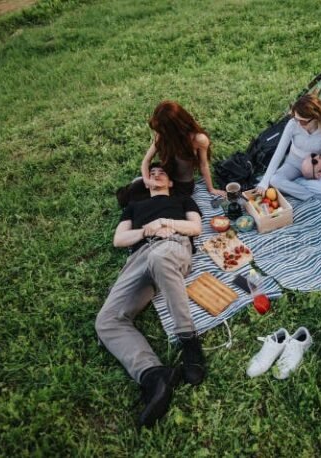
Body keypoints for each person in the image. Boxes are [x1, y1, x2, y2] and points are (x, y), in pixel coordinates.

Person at [96, 162, 206, 428]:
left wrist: (165, 223)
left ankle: (189, 340)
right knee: (106, 321)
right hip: (139, 257)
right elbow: (119, 240)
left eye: (163, 174)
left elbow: (195, 228)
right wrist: (147, 229)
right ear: (145, 183)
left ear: (170, 183)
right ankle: (153, 375)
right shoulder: (133, 207)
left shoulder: (182, 199)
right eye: (152, 173)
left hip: (171, 245)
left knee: (160, 256)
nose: (157, 175)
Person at [255, 94, 321, 200]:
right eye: (295, 118)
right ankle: (311, 197)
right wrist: (264, 181)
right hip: (293, 164)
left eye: (303, 121)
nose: (298, 123)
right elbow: (279, 153)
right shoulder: (292, 124)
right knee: (275, 180)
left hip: (315, 169)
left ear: (315, 117)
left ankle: (296, 184)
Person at [141, 100, 225, 198]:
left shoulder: (198, 139)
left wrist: (211, 189)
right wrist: (147, 181)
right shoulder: (163, 135)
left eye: (163, 130)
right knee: (135, 193)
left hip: (183, 185)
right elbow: (146, 161)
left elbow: (203, 165)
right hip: (165, 176)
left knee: (166, 203)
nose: (160, 133)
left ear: (175, 127)